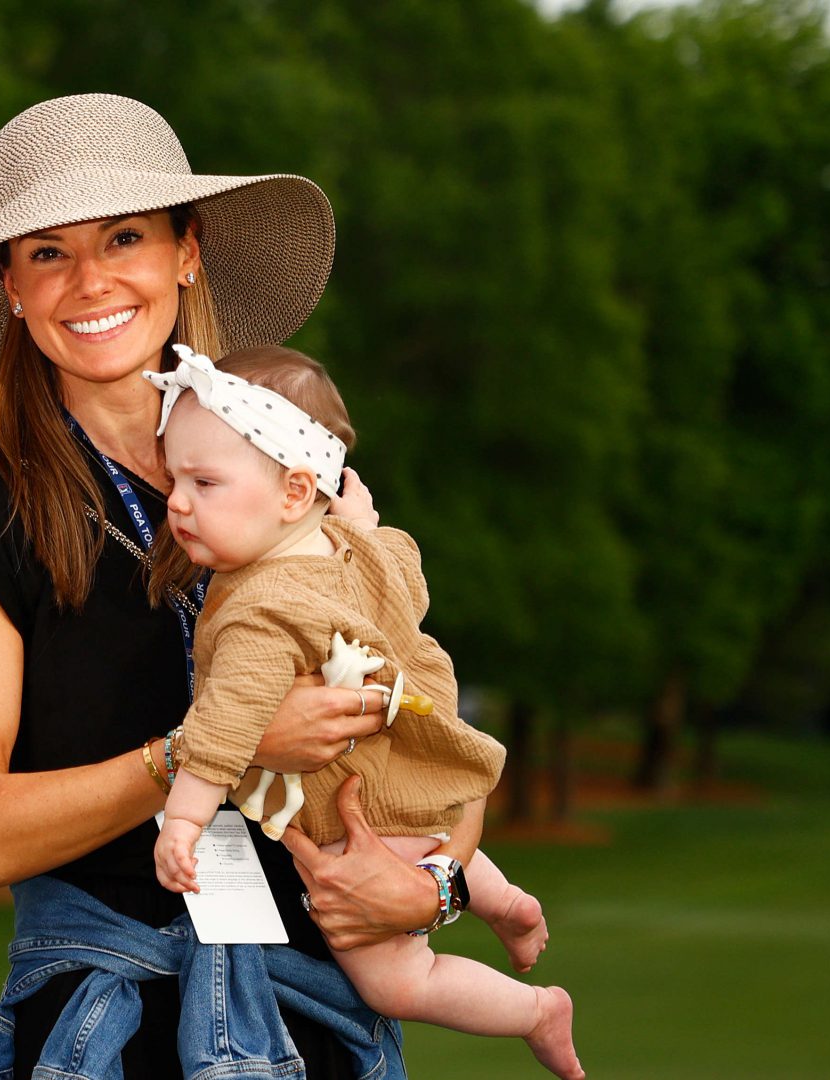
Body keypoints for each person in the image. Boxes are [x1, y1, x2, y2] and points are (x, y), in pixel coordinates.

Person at [0, 93, 456, 1079]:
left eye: (125, 237)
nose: (89, 279)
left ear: (188, 252)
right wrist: (199, 752)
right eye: (46, 252)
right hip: (108, 1029)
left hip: (323, 1028)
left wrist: (435, 887)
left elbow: (422, 731)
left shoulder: (291, 471)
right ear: (9, 285)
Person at [146, 344, 583, 1079]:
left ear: (293, 493)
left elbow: (221, 734)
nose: (179, 503)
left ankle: (535, 1010)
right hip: (414, 791)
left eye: (205, 482)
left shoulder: (260, 609)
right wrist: (355, 520)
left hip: (357, 826)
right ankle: (500, 899)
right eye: (174, 480)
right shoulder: (353, 550)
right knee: (424, 842)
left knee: (397, 982)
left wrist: (185, 822)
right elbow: (406, 580)